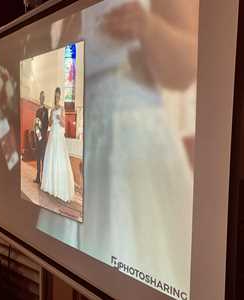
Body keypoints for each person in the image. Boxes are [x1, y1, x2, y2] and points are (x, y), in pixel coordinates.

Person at [38, 0, 198, 294]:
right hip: (88, 132)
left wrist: (148, 26)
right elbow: (66, 73)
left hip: (134, 134)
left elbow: (189, 65)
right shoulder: (70, 10)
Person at [40, 87, 75, 202]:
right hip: (53, 134)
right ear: (54, 96)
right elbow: (50, 123)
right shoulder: (53, 108)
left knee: (59, 158)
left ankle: (60, 188)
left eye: (58, 95)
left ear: (60, 96)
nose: (57, 97)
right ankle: (50, 186)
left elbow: (64, 124)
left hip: (59, 135)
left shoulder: (62, 108)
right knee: (51, 158)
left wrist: (60, 119)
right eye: (56, 95)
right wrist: (50, 117)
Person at [34, 91, 49, 184]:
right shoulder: (37, 111)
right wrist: (37, 136)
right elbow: (36, 124)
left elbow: (46, 125)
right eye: (41, 97)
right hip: (38, 137)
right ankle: (38, 177)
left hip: (43, 138)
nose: (42, 99)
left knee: (43, 158)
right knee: (38, 157)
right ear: (39, 99)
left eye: (43, 97)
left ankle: (43, 178)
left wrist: (42, 137)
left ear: (44, 99)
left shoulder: (46, 110)